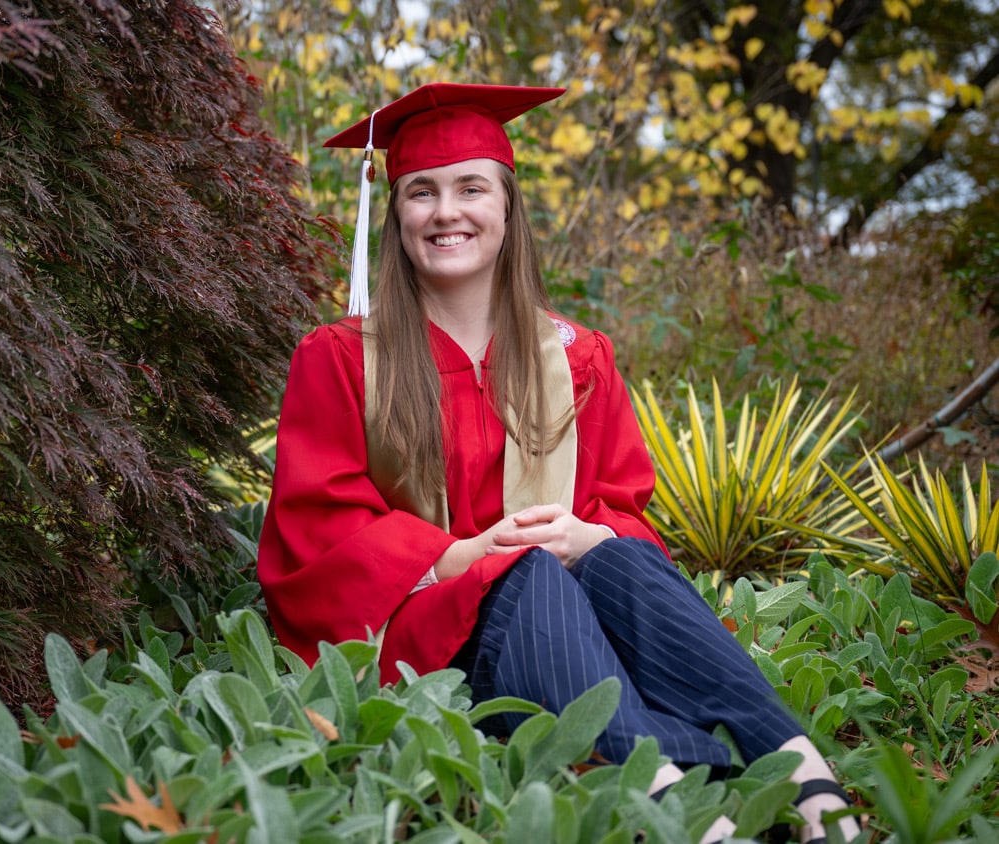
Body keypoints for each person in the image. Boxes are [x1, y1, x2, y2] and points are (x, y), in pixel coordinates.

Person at [256, 83, 863, 844]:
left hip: (568, 617)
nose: (447, 212)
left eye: (471, 188)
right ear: (397, 215)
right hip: (427, 633)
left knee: (620, 562)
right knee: (527, 571)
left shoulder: (578, 357)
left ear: (508, 210)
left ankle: (806, 777)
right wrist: (458, 556)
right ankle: (676, 799)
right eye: (422, 192)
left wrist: (588, 535)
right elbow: (318, 523)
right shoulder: (343, 360)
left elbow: (623, 503)